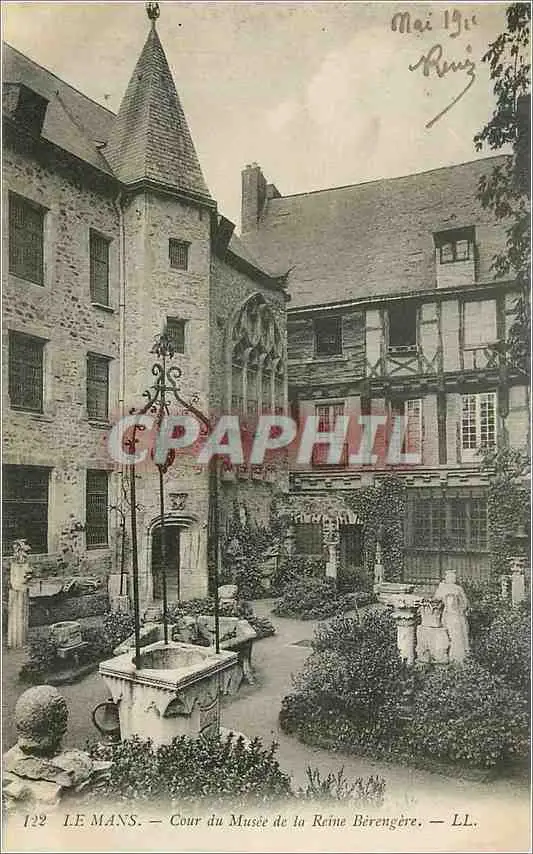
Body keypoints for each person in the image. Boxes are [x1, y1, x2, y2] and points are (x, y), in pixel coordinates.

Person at [434, 569, 470, 663]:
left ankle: (457, 657)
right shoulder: (443, 588)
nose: (453, 579)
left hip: (456, 616)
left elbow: (465, 602)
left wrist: (460, 610)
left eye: (453, 577)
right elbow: (436, 600)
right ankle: (448, 657)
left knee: (457, 635)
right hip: (448, 615)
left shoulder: (458, 588)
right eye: (450, 577)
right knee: (448, 635)